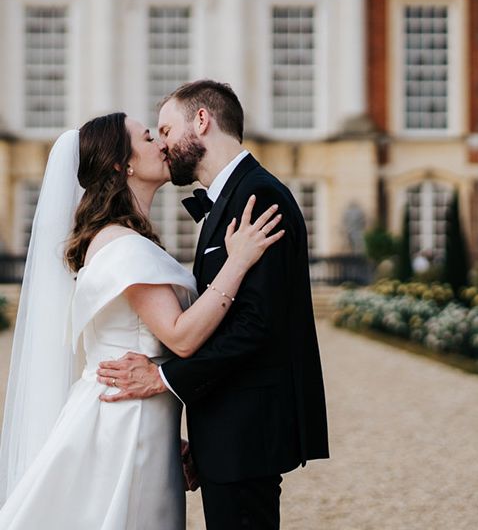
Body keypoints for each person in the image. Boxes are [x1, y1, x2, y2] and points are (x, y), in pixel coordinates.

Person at [0, 112, 283, 530]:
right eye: (150, 137)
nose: (162, 145)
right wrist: (237, 263)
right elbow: (181, 338)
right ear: (123, 164)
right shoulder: (121, 244)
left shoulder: (123, 238)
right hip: (125, 423)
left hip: (141, 419)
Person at [97, 81, 329, 530]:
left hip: (248, 433)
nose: (161, 144)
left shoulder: (258, 196)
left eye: (165, 129)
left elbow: (257, 324)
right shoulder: (229, 199)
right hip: (227, 433)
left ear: (201, 121)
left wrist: (162, 378)